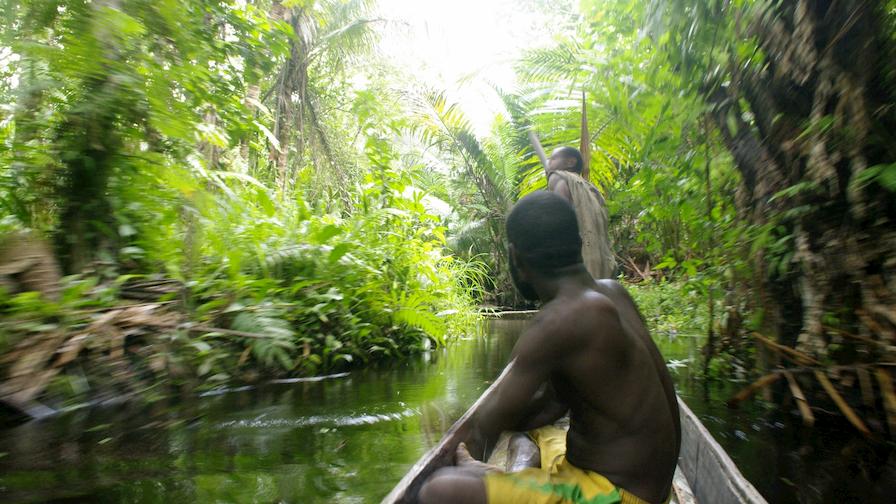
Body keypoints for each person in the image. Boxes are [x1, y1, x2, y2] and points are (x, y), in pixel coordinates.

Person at [418, 192, 680, 504]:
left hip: (614, 497)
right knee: (538, 436)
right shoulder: (614, 292)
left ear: (515, 258)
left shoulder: (558, 321)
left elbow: (484, 427)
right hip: (641, 489)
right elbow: (552, 405)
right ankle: (513, 478)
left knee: (439, 490)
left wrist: (449, 438)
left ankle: (503, 479)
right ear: (579, 244)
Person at [545, 146, 617, 279]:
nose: (549, 161)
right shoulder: (591, 188)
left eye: (554, 158)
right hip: (600, 257)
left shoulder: (558, 177)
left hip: (578, 258)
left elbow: (560, 213)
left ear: (570, 162)